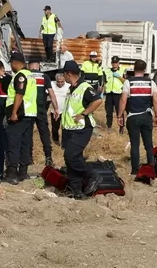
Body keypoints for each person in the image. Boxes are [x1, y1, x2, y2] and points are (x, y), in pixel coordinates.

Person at [59, 60, 103, 197]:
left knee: (70, 156)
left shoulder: (84, 87)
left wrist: (84, 113)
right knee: (72, 159)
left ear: (69, 74)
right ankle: (76, 190)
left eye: (64, 74)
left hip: (82, 128)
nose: (62, 77)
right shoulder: (71, 88)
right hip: (69, 129)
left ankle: (92, 175)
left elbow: (98, 100)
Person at [118, 60, 157, 175]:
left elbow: (123, 100)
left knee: (135, 144)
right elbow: (156, 101)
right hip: (146, 116)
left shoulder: (128, 82)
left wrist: (120, 115)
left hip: (133, 117)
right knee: (148, 144)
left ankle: (135, 170)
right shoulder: (151, 83)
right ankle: (151, 166)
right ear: (145, 70)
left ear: (134, 69)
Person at [4, 51, 38, 183]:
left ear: (14, 63)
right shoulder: (30, 75)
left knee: (13, 144)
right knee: (25, 144)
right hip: (29, 114)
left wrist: (13, 112)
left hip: (19, 115)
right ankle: (23, 172)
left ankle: (12, 173)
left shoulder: (20, 76)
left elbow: (19, 94)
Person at [28, 60, 54, 167]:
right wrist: (56, 108)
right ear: (39, 66)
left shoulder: (27, 75)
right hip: (40, 109)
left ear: (29, 66)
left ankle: (29, 158)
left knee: (28, 134)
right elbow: (51, 93)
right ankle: (48, 157)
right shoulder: (44, 76)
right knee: (44, 134)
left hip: (28, 109)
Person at [103, 56, 125, 133]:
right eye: (113, 63)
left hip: (118, 94)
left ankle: (121, 128)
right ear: (111, 63)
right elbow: (105, 82)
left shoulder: (122, 71)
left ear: (118, 63)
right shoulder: (107, 71)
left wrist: (119, 77)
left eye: (116, 63)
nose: (114, 64)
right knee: (108, 111)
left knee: (120, 111)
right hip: (109, 93)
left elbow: (125, 82)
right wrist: (103, 91)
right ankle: (109, 127)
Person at [49, 73, 70, 144]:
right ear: (56, 80)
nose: (60, 83)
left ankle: (65, 142)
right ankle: (56, 141)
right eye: (58, 82)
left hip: (65, 111)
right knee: (55, 128)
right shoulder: (51, 85)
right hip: (54, 111)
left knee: (65, 128)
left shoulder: (68, 86)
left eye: (62, 82)